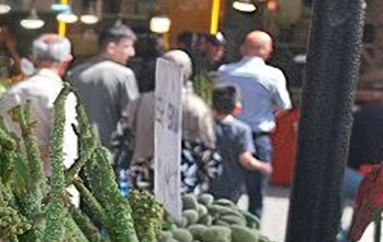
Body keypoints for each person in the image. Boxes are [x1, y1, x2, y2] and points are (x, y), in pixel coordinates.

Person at [116, 50, 218, 195]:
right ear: (187, 73)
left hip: (141, 178)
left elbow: (120, 140)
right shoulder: (197, 108)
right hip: (182, 182)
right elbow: (207, 150)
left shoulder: (138, 103)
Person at [214, 31, 290, 217]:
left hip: (227, 134)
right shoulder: (273, 75)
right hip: (258, 137)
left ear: (243, 49)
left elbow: (215, 100)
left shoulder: (225, 72)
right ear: (266, 51)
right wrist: (268, 115)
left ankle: (220, 227)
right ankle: (252, 232)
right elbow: (284, 106)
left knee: (224, 190)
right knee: (256, 194)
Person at [0, 33, 78, 164]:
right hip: (47, 179)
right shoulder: (60, 95)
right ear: (67, 61)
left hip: (10, 178)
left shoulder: (10, 93)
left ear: (33, 59)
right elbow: (65, 149)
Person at [68, 23, 138, 151]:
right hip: (110, 152)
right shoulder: (125, 75)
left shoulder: (74, 74)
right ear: (111, 47)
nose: (132, 53)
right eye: (127, 46)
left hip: (77, 150)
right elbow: (133, 117)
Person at [207, 86, 269, 206]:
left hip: (207, 180)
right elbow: (246, 160)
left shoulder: (205, 126)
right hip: (230, 183)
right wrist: (263, 166)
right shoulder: (241, 130)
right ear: (237, 107)